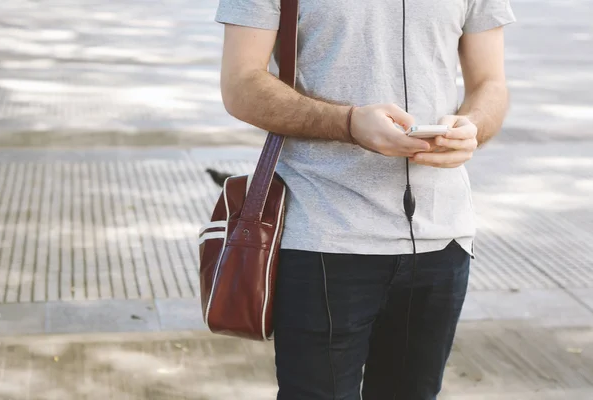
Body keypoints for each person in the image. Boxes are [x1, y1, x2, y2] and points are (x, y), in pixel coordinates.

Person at [215, 0, 515, 398]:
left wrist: (472, 126)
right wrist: (348, 122)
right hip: (323, 233)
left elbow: (490, 84)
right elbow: (240, 83)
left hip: (442, 237)